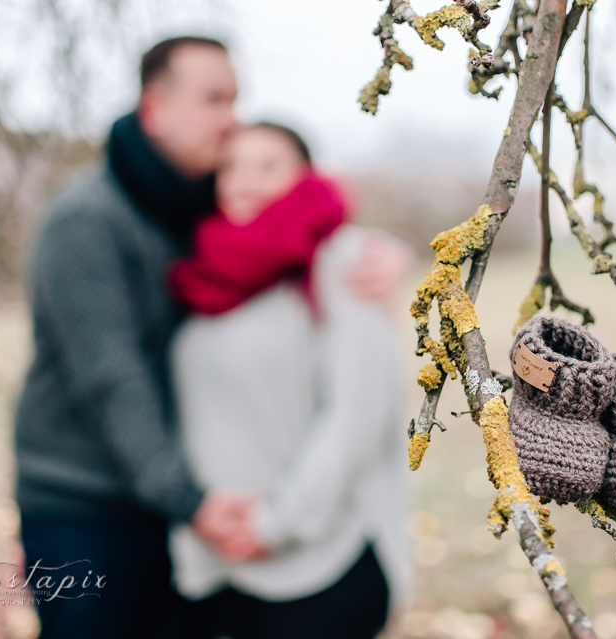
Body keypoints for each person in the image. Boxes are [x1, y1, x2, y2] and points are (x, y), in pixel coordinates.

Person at [13, 37, 412, 639]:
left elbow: (300, 219)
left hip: (172, 508)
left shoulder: (200, 208)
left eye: (236, 100)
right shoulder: (87, 222)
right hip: (84, 507)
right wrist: (193, 502)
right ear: (155, 108)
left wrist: (382, 252)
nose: (231, 120)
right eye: (213, 100)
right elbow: (110, 378)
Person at [166, 122, 411, 639]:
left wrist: (275, 524)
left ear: (305, 177)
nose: (243, 180)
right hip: (220, 562)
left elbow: (357, 416)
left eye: (267, 165)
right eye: (230, 165)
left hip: (321, 561)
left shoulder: (341, 260)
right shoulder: (200, 271)